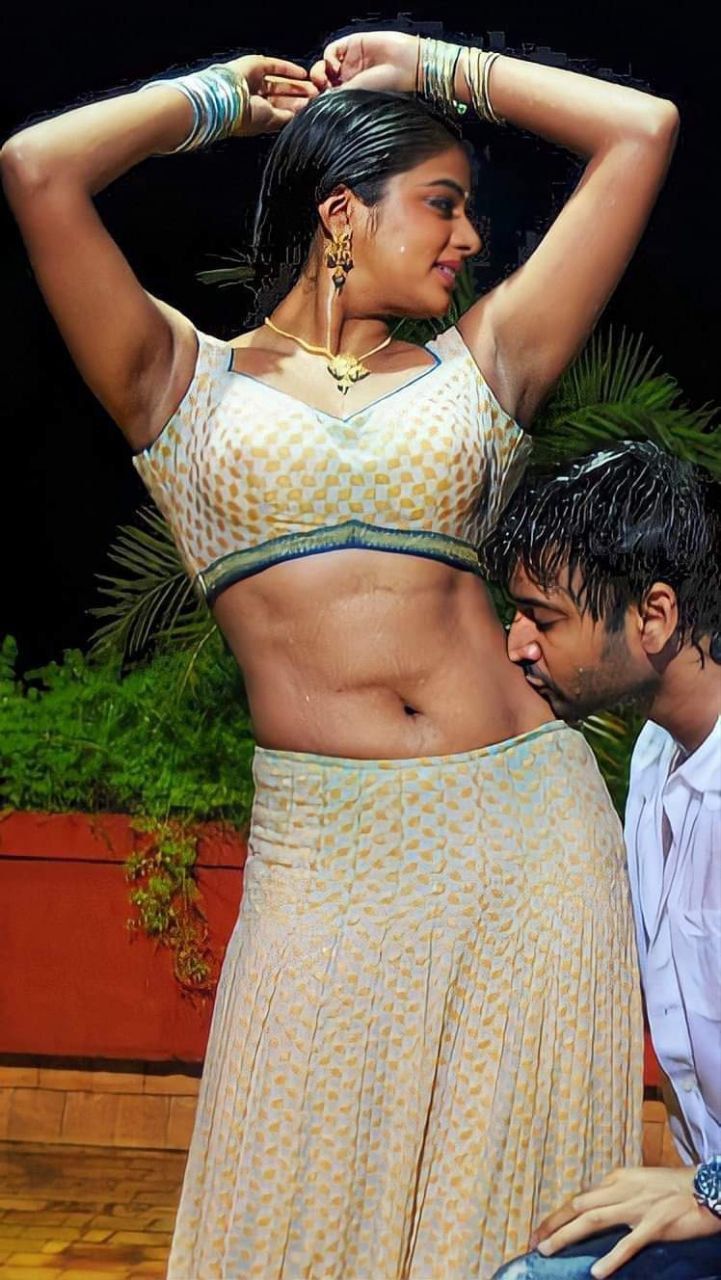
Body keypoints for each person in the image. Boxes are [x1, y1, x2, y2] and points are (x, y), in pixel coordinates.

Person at [1, 29, 679, 1279]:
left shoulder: (484, 368)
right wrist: (207, 103)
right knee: (291, 1204)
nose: (469, 239)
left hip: (523, 834)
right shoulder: (175, 382)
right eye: (441, 203)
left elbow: (642, 131)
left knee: (511, 1219)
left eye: (468, 210)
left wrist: (434, 68)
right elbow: (35, 167)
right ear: (339, 215)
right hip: (328, 852)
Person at [483, 442, 721, 1280]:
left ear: (651, 617)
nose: (514, 643)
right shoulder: (655, 759)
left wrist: (714, 1191)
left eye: (541, 618)